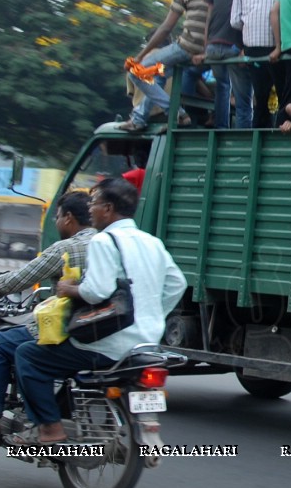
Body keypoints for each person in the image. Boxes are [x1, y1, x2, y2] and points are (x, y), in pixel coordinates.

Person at [10, 178, 186, 446]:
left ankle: (49, 429)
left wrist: (68, 289)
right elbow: (177, 284)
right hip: (146, 343)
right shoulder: (152, 242)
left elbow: (96, 292)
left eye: (93, 203)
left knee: (28, 355)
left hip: (107, 344)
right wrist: (151, 316)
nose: (89, 209)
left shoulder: (104, 241)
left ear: (108, 208)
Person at [0, 192, 97, 444]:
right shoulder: (110, 243)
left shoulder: (66, 248)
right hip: (107, 328)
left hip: (73, 328)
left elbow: (18, 280)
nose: (56, 222)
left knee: (1, 344)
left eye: (57, 216)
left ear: (68, 218)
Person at [120, 0, 211, 131]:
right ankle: (138, 120)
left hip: (187, 46)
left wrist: (141, 56)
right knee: (159, 77)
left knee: (137, 72)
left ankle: (178, 114)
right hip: (208, 50)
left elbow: (165, 29)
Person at [231, 0, 289, 128]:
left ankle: (257, 139)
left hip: (253, 50)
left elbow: (234, 21)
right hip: (278, 49)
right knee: (283, 94)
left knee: (261, 96)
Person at [200, 0, 252, 128]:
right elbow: (247, 19)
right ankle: (243, 138)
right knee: (243, 98)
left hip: (213, 48)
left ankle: (221, 128)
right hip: (234, 49)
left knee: (222, 87)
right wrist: (245, 48)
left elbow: (209, 17)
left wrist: (205, 47)